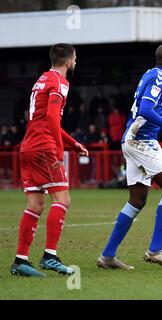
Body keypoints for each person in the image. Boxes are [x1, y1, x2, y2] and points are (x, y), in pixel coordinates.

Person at [96, 43, 162, 269]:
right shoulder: (160, 77)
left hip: (132, 139)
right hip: (141, 141)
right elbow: (146, 111)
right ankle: (155, 250)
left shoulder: (150, 74)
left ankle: (107, 256)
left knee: (137, 200)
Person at [10, 43, 88, 277]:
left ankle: (20, 261)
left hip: (28, 147)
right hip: (44, 147)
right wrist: (57, 149)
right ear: (68, 61)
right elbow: (53, 119)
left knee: (35, 205)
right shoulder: (60, 82)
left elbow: (45, 118)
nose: (75, 62)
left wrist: (73, 144)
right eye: (74, 59)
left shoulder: (42, 78)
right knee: (62, 200)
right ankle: (50, 256)